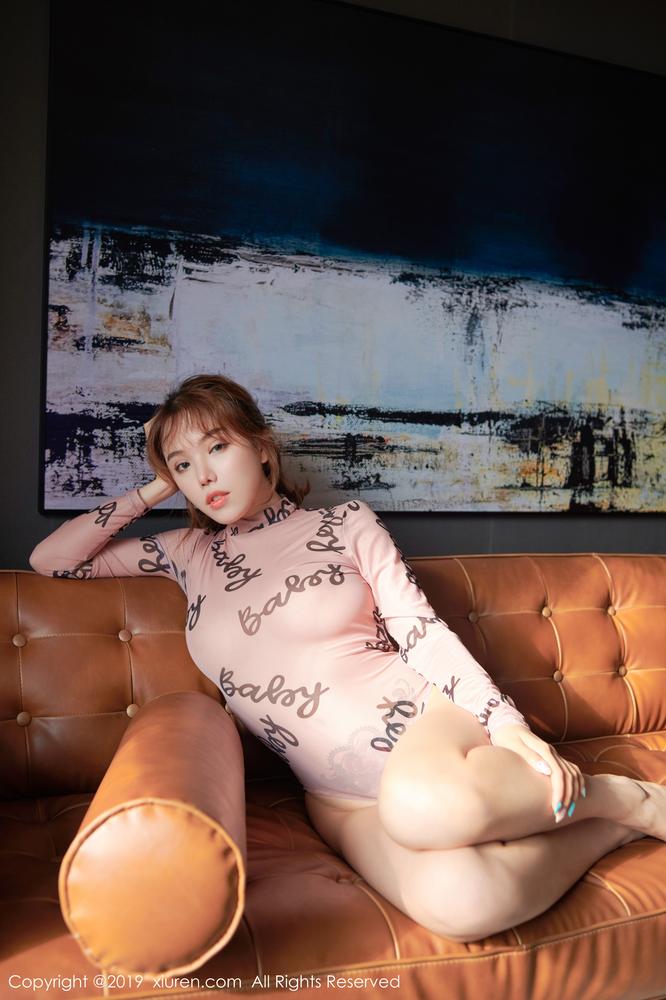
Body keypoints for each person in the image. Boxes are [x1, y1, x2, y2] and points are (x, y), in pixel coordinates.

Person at [30, 372, 665, 943]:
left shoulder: (344, 523)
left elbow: (419, 630)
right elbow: (52, 560)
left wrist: (504, 722)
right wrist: (154, 488)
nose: (204, 476)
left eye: (216, 447)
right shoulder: (186, 553)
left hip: (423, 726)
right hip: (338, 795)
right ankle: (620, 821)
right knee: (464, 905)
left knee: (423, 806)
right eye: (183, 465)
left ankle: (618, 793)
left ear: (262, 446)